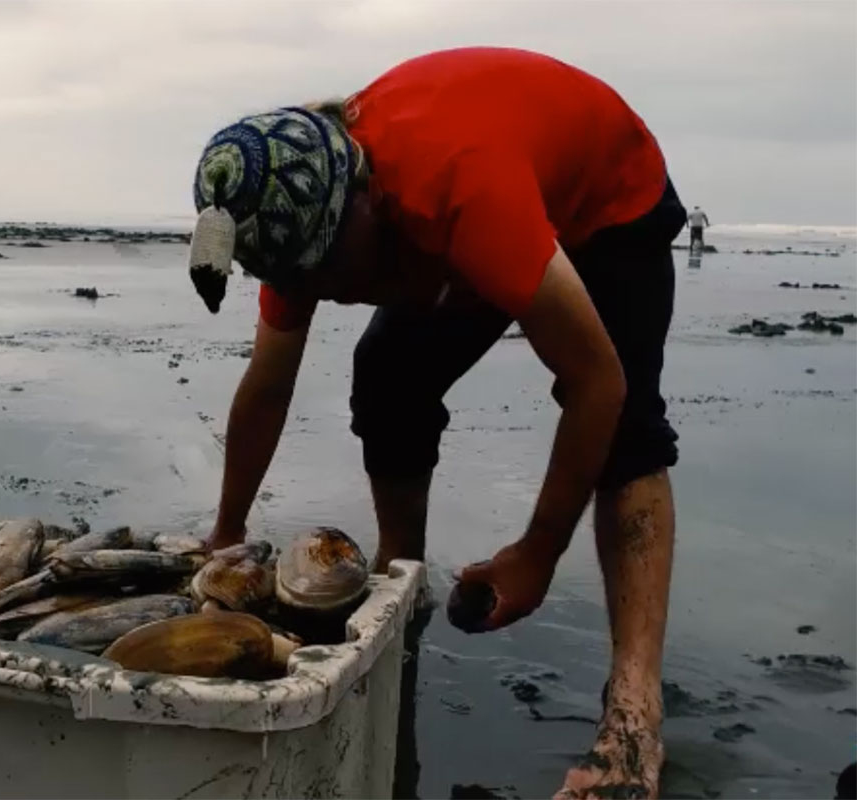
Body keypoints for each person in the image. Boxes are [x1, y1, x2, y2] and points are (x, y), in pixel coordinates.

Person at [188, 48, 683, 800]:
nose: (342, 294)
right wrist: (225, 527)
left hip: (608, 198)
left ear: (364, 201)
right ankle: (402, 586)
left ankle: (635, 715)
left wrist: (537, 552)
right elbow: (268, 387)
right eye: (313, 285)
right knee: (387, 373)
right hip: (481, 201)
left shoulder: (457, 187)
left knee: (627, 434)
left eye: (343, 273)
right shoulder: (289, 215)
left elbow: (596, 383)